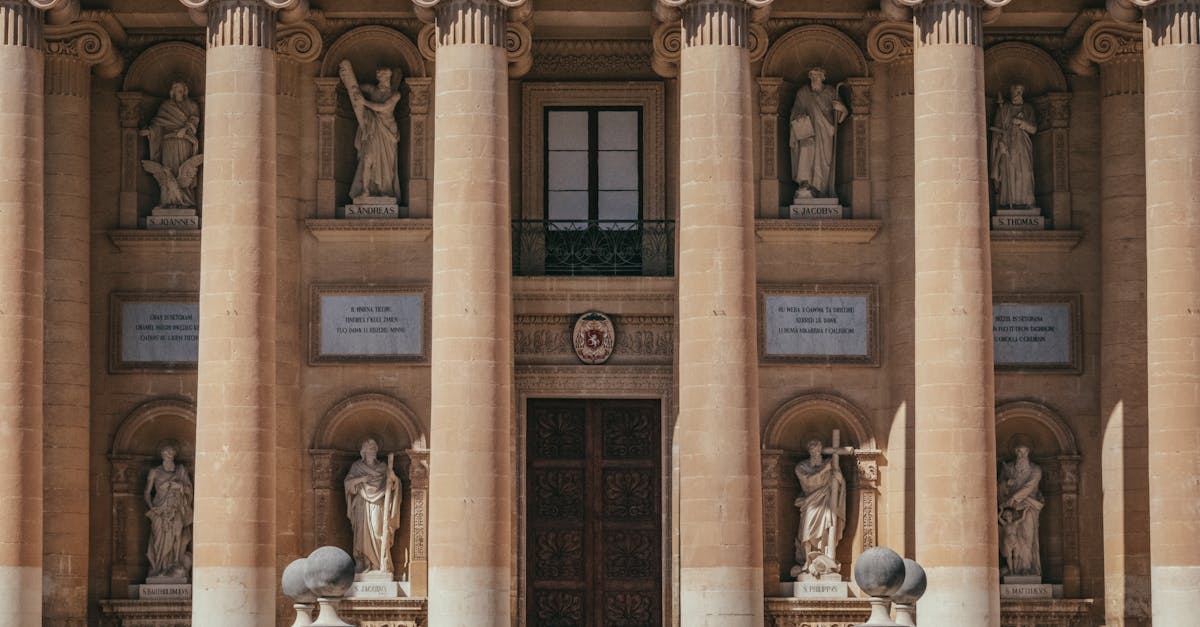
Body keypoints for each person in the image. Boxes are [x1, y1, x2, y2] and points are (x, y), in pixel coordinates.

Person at [339, 61, 403, 204]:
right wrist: (346, 78)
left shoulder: (395, 94)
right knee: (368, 158)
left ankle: (386, 191)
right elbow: (355, 88)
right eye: (380, 77)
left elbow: (384, 107)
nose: (382, 81)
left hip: (388, 132)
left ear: (389, 78)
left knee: (386, 162)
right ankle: (365, 191)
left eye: (385, 78)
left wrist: (364, 102)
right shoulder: (372, 90)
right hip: (373, 129)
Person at [344, 437, 402, 574]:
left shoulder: (383, 467)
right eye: (370, 449)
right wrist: (361, 479)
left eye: (375, 449)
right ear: (363, 452)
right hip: (361, 504)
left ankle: (379, 564)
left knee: (378, 531)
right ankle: (363, 563)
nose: (373, 452)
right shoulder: (357, 467)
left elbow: (395, 483)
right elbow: (348, 484)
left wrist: (393, 479)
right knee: (361, 535)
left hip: (378, 503)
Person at [792, 437, 848, 578]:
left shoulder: (830, 464)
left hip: (826, 501)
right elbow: (809, 482)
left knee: (826, 529)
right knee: (807, 532)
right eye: (813, 450)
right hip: (810, 503)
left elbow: (840, 483)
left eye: (819, 450)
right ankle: (807, 561)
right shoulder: (801, 467)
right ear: (809, 451)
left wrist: (838, 477)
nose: (817, 453)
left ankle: (826, 559)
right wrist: (825, 469)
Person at [789, 67, 847, 203]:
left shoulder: (832, 92)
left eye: (818, 76)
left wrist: (842, 109)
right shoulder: (803, 93)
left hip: (826, 132)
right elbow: (795, 111)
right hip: (807, 133)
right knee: (806, 155)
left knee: (825, 161)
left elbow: (841, 116)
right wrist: (799, 117)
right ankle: (805, 185)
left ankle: (823, 190)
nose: (815, 78)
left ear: (824, 78)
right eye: (813, 76)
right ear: (809, 77)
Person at [140, 80, 202, 208]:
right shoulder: (166, 105)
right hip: (168, 142)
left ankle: (186, 201)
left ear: (185, 91)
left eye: (180, 89)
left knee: (184, 169)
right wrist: (150, 131)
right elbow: (158, 123)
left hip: (184, 141)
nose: (177, 92)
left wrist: (184, 130)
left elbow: (194, 119)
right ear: (172, 91)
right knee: (167, 170)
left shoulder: (192, 105)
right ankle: (167, 200)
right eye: (175, 89)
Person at [144, 442, 193, 580]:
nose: (168, 455)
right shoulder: (155, 472)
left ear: (174, 454)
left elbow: (189, 490)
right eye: (166, 453)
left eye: (171, 453)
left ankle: (175, 562)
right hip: (160, 509)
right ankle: (158, 567)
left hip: (176, 507)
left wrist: (180, 485)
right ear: (162, 454)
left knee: (177, 534)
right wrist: (151, 508)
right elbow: (147, 492)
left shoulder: (181, 470)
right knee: (158, 540)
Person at [997, 441, 1043, 577]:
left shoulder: (1035, 469)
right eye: (1018, 451)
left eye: (1024, 452)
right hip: (1010, 510)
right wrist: (1006, 483)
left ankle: (1027, 568)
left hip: (1029, 507)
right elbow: (999, 487)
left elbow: (1030, 486)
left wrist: (1013, 498)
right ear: (1015, 452)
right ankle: (1013, 571)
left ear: (1028, 452)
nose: (1021, 455)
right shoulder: (1008, 468)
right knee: (1011, 536)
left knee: (1028, 537)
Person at [990, 83, 1038, 208]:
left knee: (1026, 173)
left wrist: (1021, 122)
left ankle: (1027, 202)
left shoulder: (1028, 108)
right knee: (1008, 172)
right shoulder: (1004, 108)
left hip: (1023, 145)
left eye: (1020, 91)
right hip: (1008, 145)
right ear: (1011, 93)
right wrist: (1000, 144)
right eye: (1016, 91)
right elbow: (996, 129)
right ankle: (1006, 203)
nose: (1018, 94)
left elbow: (1033, 129)